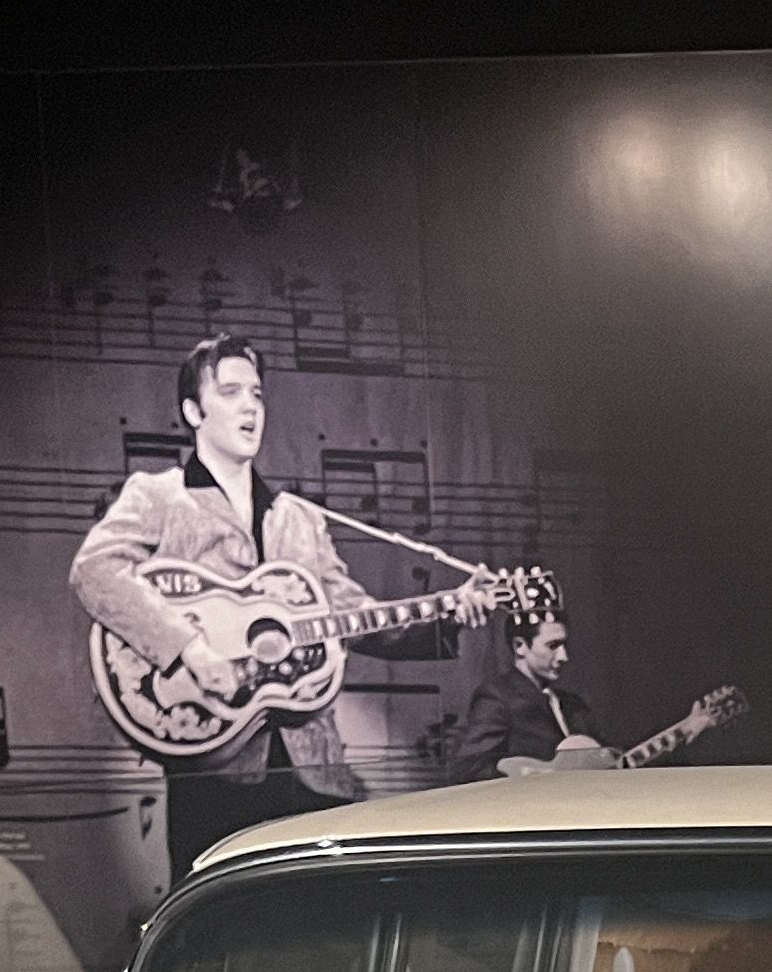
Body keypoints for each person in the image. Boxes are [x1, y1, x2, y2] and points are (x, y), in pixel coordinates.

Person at [69, 333, 497, 873]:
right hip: (215, 777)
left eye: (257, 394)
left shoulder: (299, 518)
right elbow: (94, 570)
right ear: (193, 411)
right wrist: (190, 649)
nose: (250, 407)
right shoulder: (158, 496)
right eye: (230, 393)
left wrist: (451, 612)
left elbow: (355, 615)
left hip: (313, 774)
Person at [435, 607, 602, 787]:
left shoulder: (573, 704)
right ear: (519, 646)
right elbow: (466, 769)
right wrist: (531, 774)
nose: (564, 657)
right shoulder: (497, 698)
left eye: (564, 645)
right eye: (553, 646)